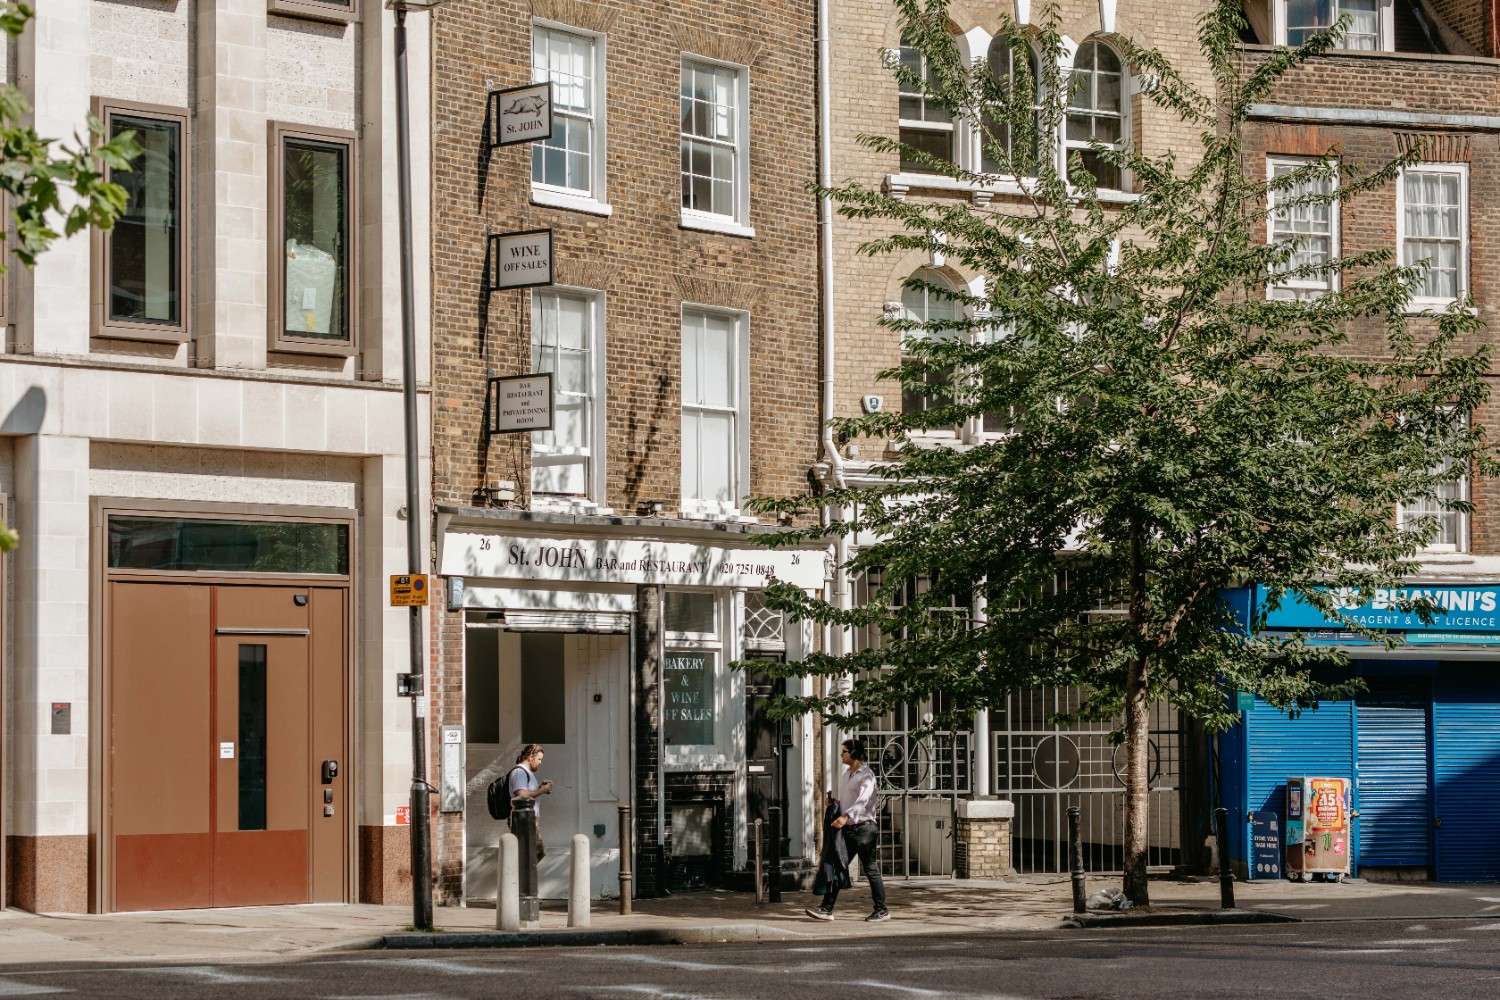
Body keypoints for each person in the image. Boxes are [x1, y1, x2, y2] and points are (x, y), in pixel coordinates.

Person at [807, 738, 888, 921]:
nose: (841, 755)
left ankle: (882, 910)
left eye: (844, 752)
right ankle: (826, 909)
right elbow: (848, 801)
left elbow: (863, 801)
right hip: (849, 829)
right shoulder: (846, 775)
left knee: (870, 869)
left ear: (854, 753)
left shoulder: (866, 775)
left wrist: (845, 816)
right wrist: (835, 805)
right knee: (837, 866)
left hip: (865, 829)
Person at [507, 743, 552, 862]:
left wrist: (539, 788)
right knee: (530, 856)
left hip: (530, 820)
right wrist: (542, 790)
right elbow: (521, 795)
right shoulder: (519, 772)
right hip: (524, 821)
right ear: (530, 757)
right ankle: (521, 879)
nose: (540, 763)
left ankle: (523, 879)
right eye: (539, 759)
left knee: (534, 854)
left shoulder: (526, 773)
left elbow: (528, 793)